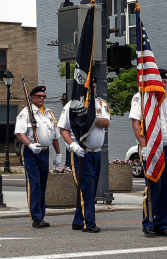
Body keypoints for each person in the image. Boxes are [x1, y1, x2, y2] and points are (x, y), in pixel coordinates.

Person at [129, 69, 167, 237]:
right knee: (153, 186)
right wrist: (144, 144)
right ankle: (148, 223)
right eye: (160, 81)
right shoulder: (141, 98)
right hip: (150, 147)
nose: (163, 84)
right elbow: (136, 123)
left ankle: (161, 224)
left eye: (165, 82)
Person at [58, 84, 110, 233]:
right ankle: (90, 223)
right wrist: (72, 145)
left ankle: (78, 221)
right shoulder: (72, 105)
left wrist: (90, 117)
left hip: (97, 153)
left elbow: (106, 122)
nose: (92, 89)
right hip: (81, 152)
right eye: (89, 87)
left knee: (91, 189)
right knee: (86, 188)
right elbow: (63, 128)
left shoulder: (101, 103)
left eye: (94, 87)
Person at [15, 85, 61, 228]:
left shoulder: (49, 114)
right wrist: (30, 145)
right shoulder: (26, 113)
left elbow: (54, 136)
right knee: (34, 184)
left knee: (42, 184)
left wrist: (58, 153)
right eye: (39, 96)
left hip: (45, 152)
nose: (42, 98)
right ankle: (36, 217)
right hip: (30, 152)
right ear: (32, 98)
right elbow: (20, 133)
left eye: (43, 96)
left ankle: (41, 215)